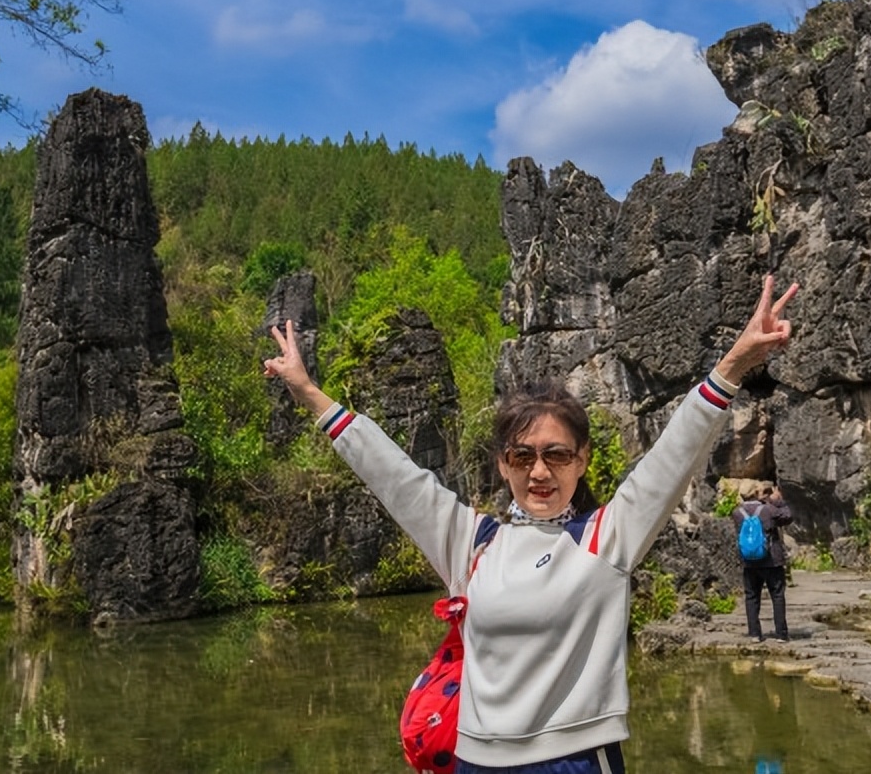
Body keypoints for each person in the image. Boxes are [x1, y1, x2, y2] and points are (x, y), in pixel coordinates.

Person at [263, 275, 798, 773]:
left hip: (575, 759)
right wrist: (309, 392)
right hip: (474, 759)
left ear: (582, 460)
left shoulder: (606, 538)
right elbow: (394, 477)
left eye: (556, 455)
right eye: (523, 456)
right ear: (503, 463)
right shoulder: (471, 545)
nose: (539, 472)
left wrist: (733, 364)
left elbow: (673, 455)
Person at [732, 483, 793, 641]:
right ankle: (781, 634)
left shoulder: (737, 512)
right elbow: (788, 517)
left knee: (751, 597)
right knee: (777, 595)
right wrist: (778, 500)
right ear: (756, 492)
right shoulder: (768, 509)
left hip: (749, 561)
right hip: (771, 560)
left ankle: (754, 634)